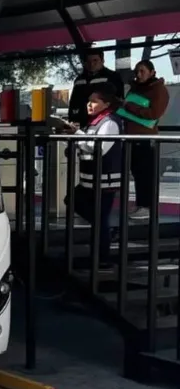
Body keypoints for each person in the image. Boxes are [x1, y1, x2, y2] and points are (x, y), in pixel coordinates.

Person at [62, 90, 122, 265]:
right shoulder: (94, 122)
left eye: (94, 101)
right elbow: (86, 146)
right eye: (88, 101)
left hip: (105, 181)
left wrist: (77, 134)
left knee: (100, 219)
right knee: (74, 201)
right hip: (90, 180)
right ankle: (103, 239)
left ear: (106, 104)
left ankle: (102, 259)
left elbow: (97, 148)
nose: (89, 104)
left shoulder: (110, 123)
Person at [116, 60, 171, 219]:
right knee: (137, 172)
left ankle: (147, 206)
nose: (138, 75)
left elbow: (154, 113)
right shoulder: (135, 88)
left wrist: (129, 106)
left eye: (142, 71)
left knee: (145, 173)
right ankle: (141, 205)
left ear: (152, 72)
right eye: (137, 71)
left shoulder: (159, 90)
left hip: (145, 137)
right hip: (130, 136)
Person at [68, 49, 124, 128]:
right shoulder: (79, 79)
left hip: (103, 121)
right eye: (88, 61)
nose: (91, 64)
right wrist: (72, 119)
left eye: (95, 60)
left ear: (102, 60)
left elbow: (118, 100)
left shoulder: (112, 77)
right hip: (80, 121)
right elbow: (73, 102)